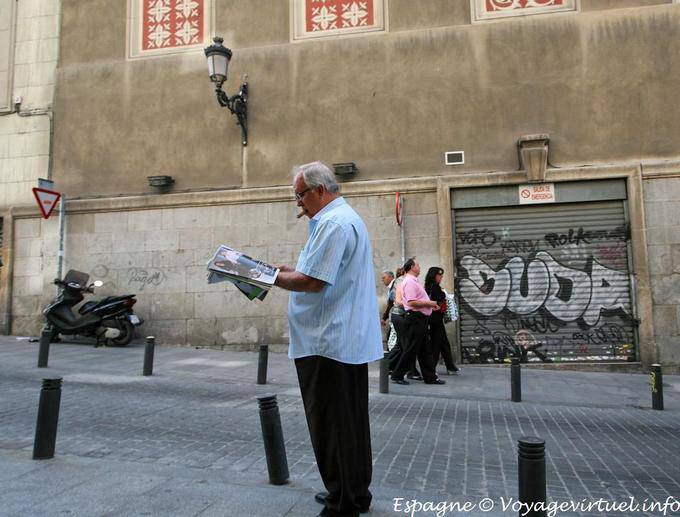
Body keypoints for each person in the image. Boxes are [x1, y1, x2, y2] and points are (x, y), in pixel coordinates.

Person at [274, 161, 383, 517]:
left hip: (328, 342)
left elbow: (313, 281)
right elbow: (310, 272)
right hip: (339, 342)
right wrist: (280, 271)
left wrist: (267, 278)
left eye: (300, 195)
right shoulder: (339, 219)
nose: (298, 204)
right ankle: (353, 492)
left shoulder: (333, 224)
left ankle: (343, 502)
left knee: (332, 426)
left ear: (320, 190)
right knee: (349, 424)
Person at [390, 258, 445, 385]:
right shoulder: (409, 282)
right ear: (411, 267)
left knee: (424, 349)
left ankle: (430, 377)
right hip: (416, 318)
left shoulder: (414, 281)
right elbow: (411, 302)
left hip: (420, 319)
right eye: (417, 265)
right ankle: (397, 375)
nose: (419, 267)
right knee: (411, 348)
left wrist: (430, 306)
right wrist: (430, 303)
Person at [424, 266, 460, 375]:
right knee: (436, 344)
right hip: (435, 318)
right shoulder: (434, 286)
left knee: (444, 343)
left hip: (435, 318)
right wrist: (444, 294)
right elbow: (438, 298)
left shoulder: (428, 286)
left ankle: (450, 367)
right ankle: (431, 369)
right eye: (439, 275)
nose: (441, 277)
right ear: (434, 275)